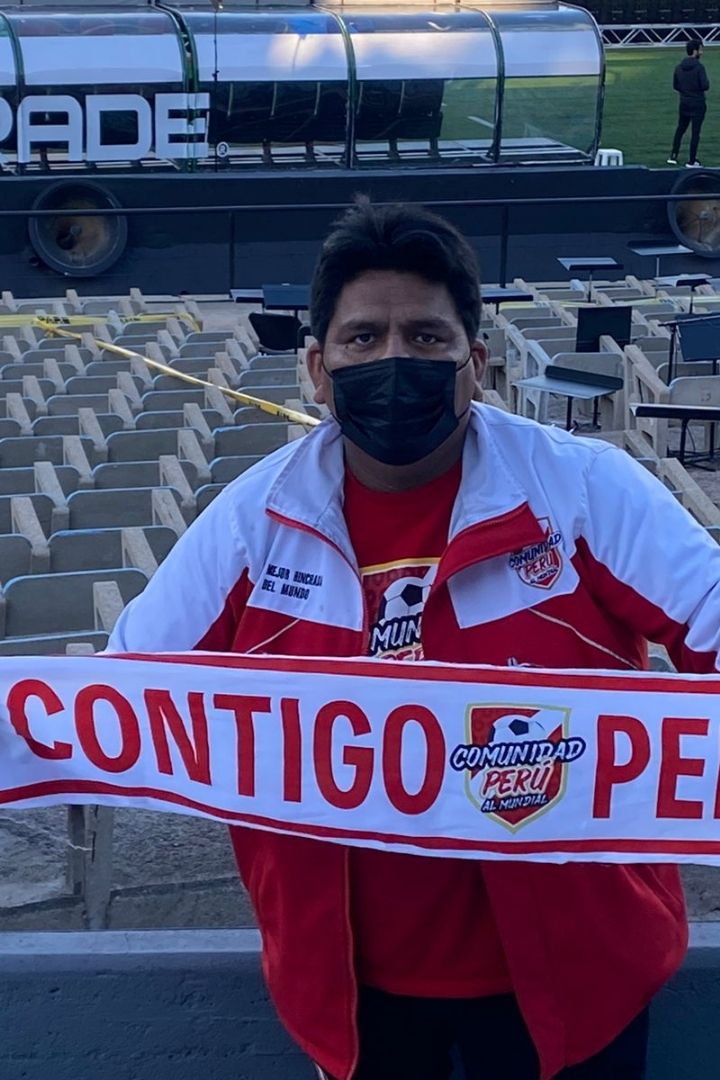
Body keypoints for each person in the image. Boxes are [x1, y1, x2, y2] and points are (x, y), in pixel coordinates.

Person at [109, 200, 720, 1080]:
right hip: (356, 998)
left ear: (477, 361)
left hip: (578, 981)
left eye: (427, 337)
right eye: (363, 338)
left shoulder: (584, 491)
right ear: (317, 367)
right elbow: (122, 694)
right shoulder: (253, 521)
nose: (395, 359)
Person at [668, 38, 709, 167]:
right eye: (700, 49)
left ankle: (673, 155)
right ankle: (692, 160)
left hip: (684, 102)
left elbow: (676, 85)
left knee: (680, 129)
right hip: (697, 102)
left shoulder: (679, 67)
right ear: (695, 51)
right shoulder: (699, 67)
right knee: (695, 132)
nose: (702, 52)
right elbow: (705, 85)